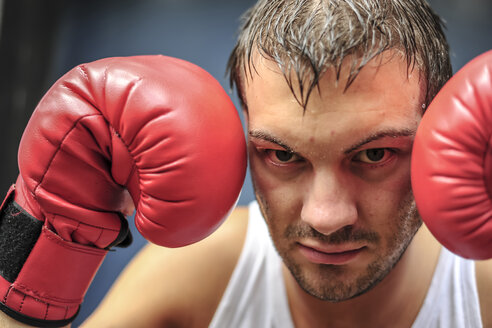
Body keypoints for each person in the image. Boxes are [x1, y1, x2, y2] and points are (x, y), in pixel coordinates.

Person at [0, 0, 491, 327]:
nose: (326, 216)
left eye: (374, 155)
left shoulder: (481, 293)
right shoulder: (208, 274)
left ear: (443, 134)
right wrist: (44, 235)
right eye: (282, 155)